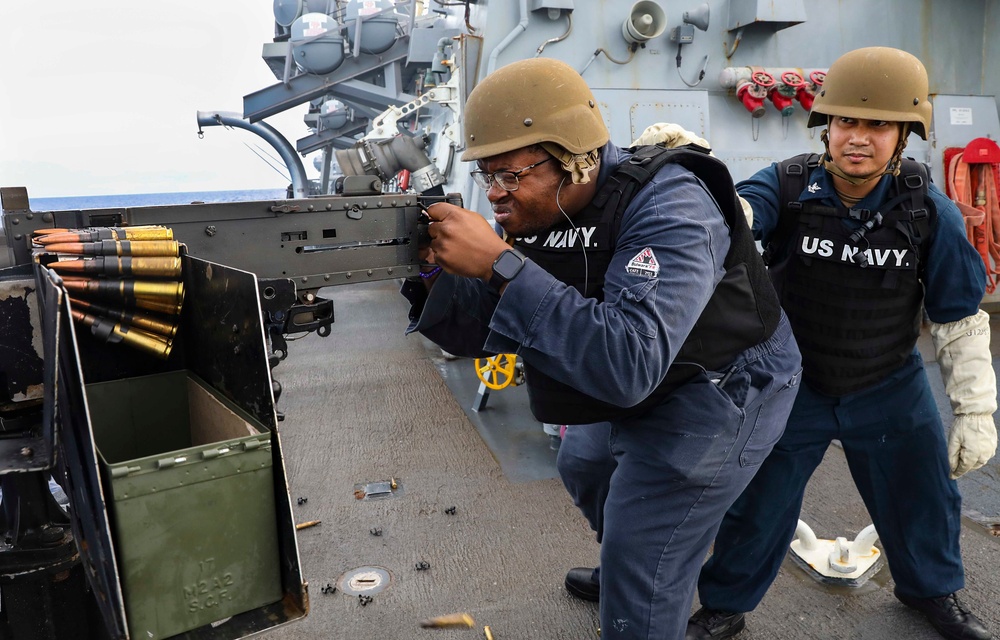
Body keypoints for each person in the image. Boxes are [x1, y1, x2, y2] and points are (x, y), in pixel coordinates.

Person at [400, 56, 802, 640]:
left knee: (642, 569)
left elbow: (629, 362)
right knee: (583, 462)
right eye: (487, 175)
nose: (496, 195)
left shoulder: (670, 205)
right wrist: (444, 273)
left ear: (576, 158)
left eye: (510, 175)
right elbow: (482, 330)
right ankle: (632, 553)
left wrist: (501, 265)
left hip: (723, 386)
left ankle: (643, 568)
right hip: (646, 372)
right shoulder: (545, 207)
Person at [687, 47, 997, 640]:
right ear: (825, 126)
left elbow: (958, 318)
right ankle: (725, 604)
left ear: (905, 134)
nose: (858, 137)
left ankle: (933, 593)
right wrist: (709, 206)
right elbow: (738, 215)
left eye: (877, 124)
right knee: (757, 501)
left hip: (887, 380)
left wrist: (976, 409)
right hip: (792, 381)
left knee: (922, 496)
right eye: (846, 122)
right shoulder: (785, 184)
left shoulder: (932, 215)